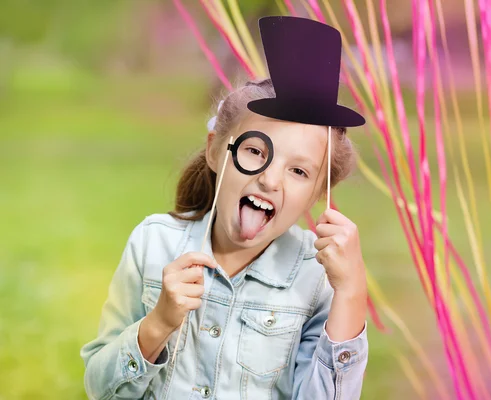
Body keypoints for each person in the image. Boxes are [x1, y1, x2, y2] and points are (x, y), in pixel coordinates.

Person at [81, 16, 369, 399]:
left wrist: (350, 291)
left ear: (319, 193)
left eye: (299, 170)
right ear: (217, 150)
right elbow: (101, 389)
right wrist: (158, 324)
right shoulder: (152, 243)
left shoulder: (317, 280)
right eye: (255, 151)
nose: (270, 180)